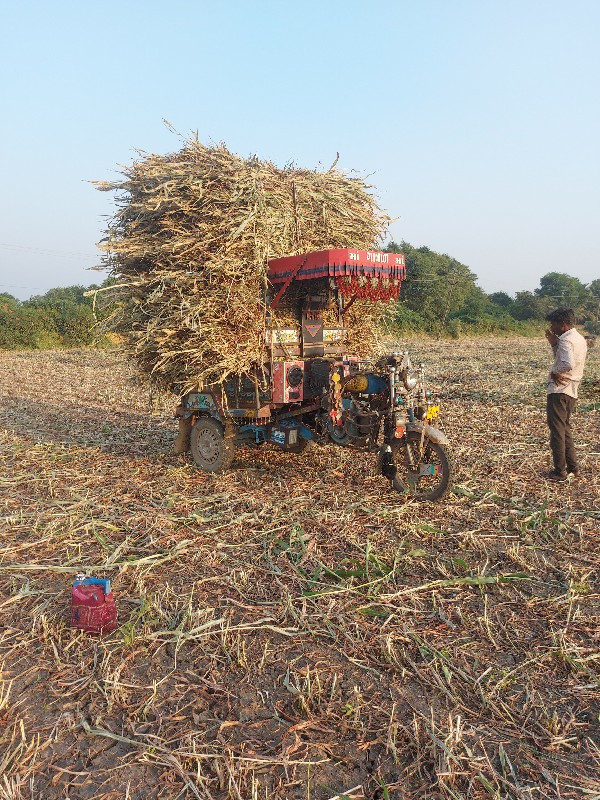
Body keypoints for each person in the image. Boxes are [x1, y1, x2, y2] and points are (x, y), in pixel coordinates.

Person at [544, 307, 588, 481]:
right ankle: (573, 468)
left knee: (557, 431)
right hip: (571, 390)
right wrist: (554, 344)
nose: (551, 326)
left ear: (563, 324)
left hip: (560, 390)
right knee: (565, 429)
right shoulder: (578, 338)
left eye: (553, 323)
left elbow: (567, 363)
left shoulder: (566, 341)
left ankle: (559, 471)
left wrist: (556, 372)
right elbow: (564, 359)